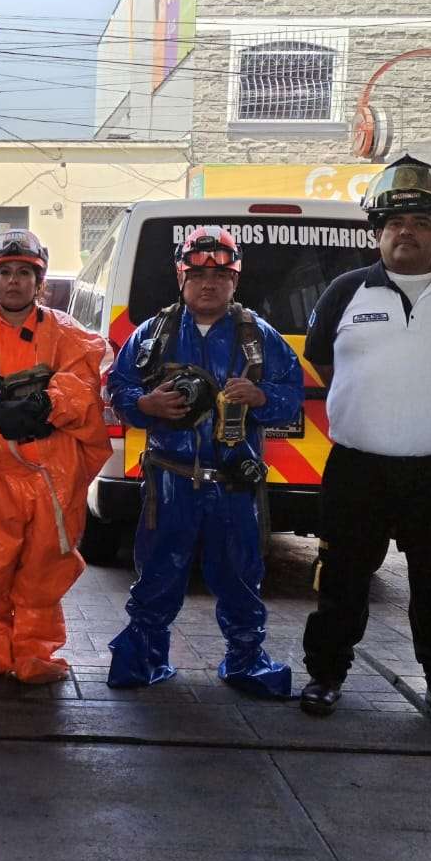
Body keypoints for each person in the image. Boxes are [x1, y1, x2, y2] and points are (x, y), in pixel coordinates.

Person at [299, 155, 431, 729]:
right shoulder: (344, 291)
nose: (405, 232)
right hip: (357, 469)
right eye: (394, 223)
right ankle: (326, 676)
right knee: (341, 580)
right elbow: (324, 363)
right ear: (377, 233)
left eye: (421, 223)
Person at [106, 226, 302, 695]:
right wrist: (145, 404)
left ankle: (246, 662)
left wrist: (261, 396)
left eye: (220, 275)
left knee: (240, 576)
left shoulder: (259, 336)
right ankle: (143, 659)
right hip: (169, 483)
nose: (208, 284)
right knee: (158, 573)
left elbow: (292, 397)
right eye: (197, 275)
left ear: (235, 280)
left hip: (234, 485)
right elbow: (118, 387)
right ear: (181, 278)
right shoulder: (153, 334)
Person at [0, 229, 108, 683]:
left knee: (44, 565)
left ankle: (35, 653)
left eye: (24, 273)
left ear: (39, 282)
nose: (14, 281)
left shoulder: (67, 332)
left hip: (52, 472)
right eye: (5, 272)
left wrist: (49, 404)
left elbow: (84, 379)